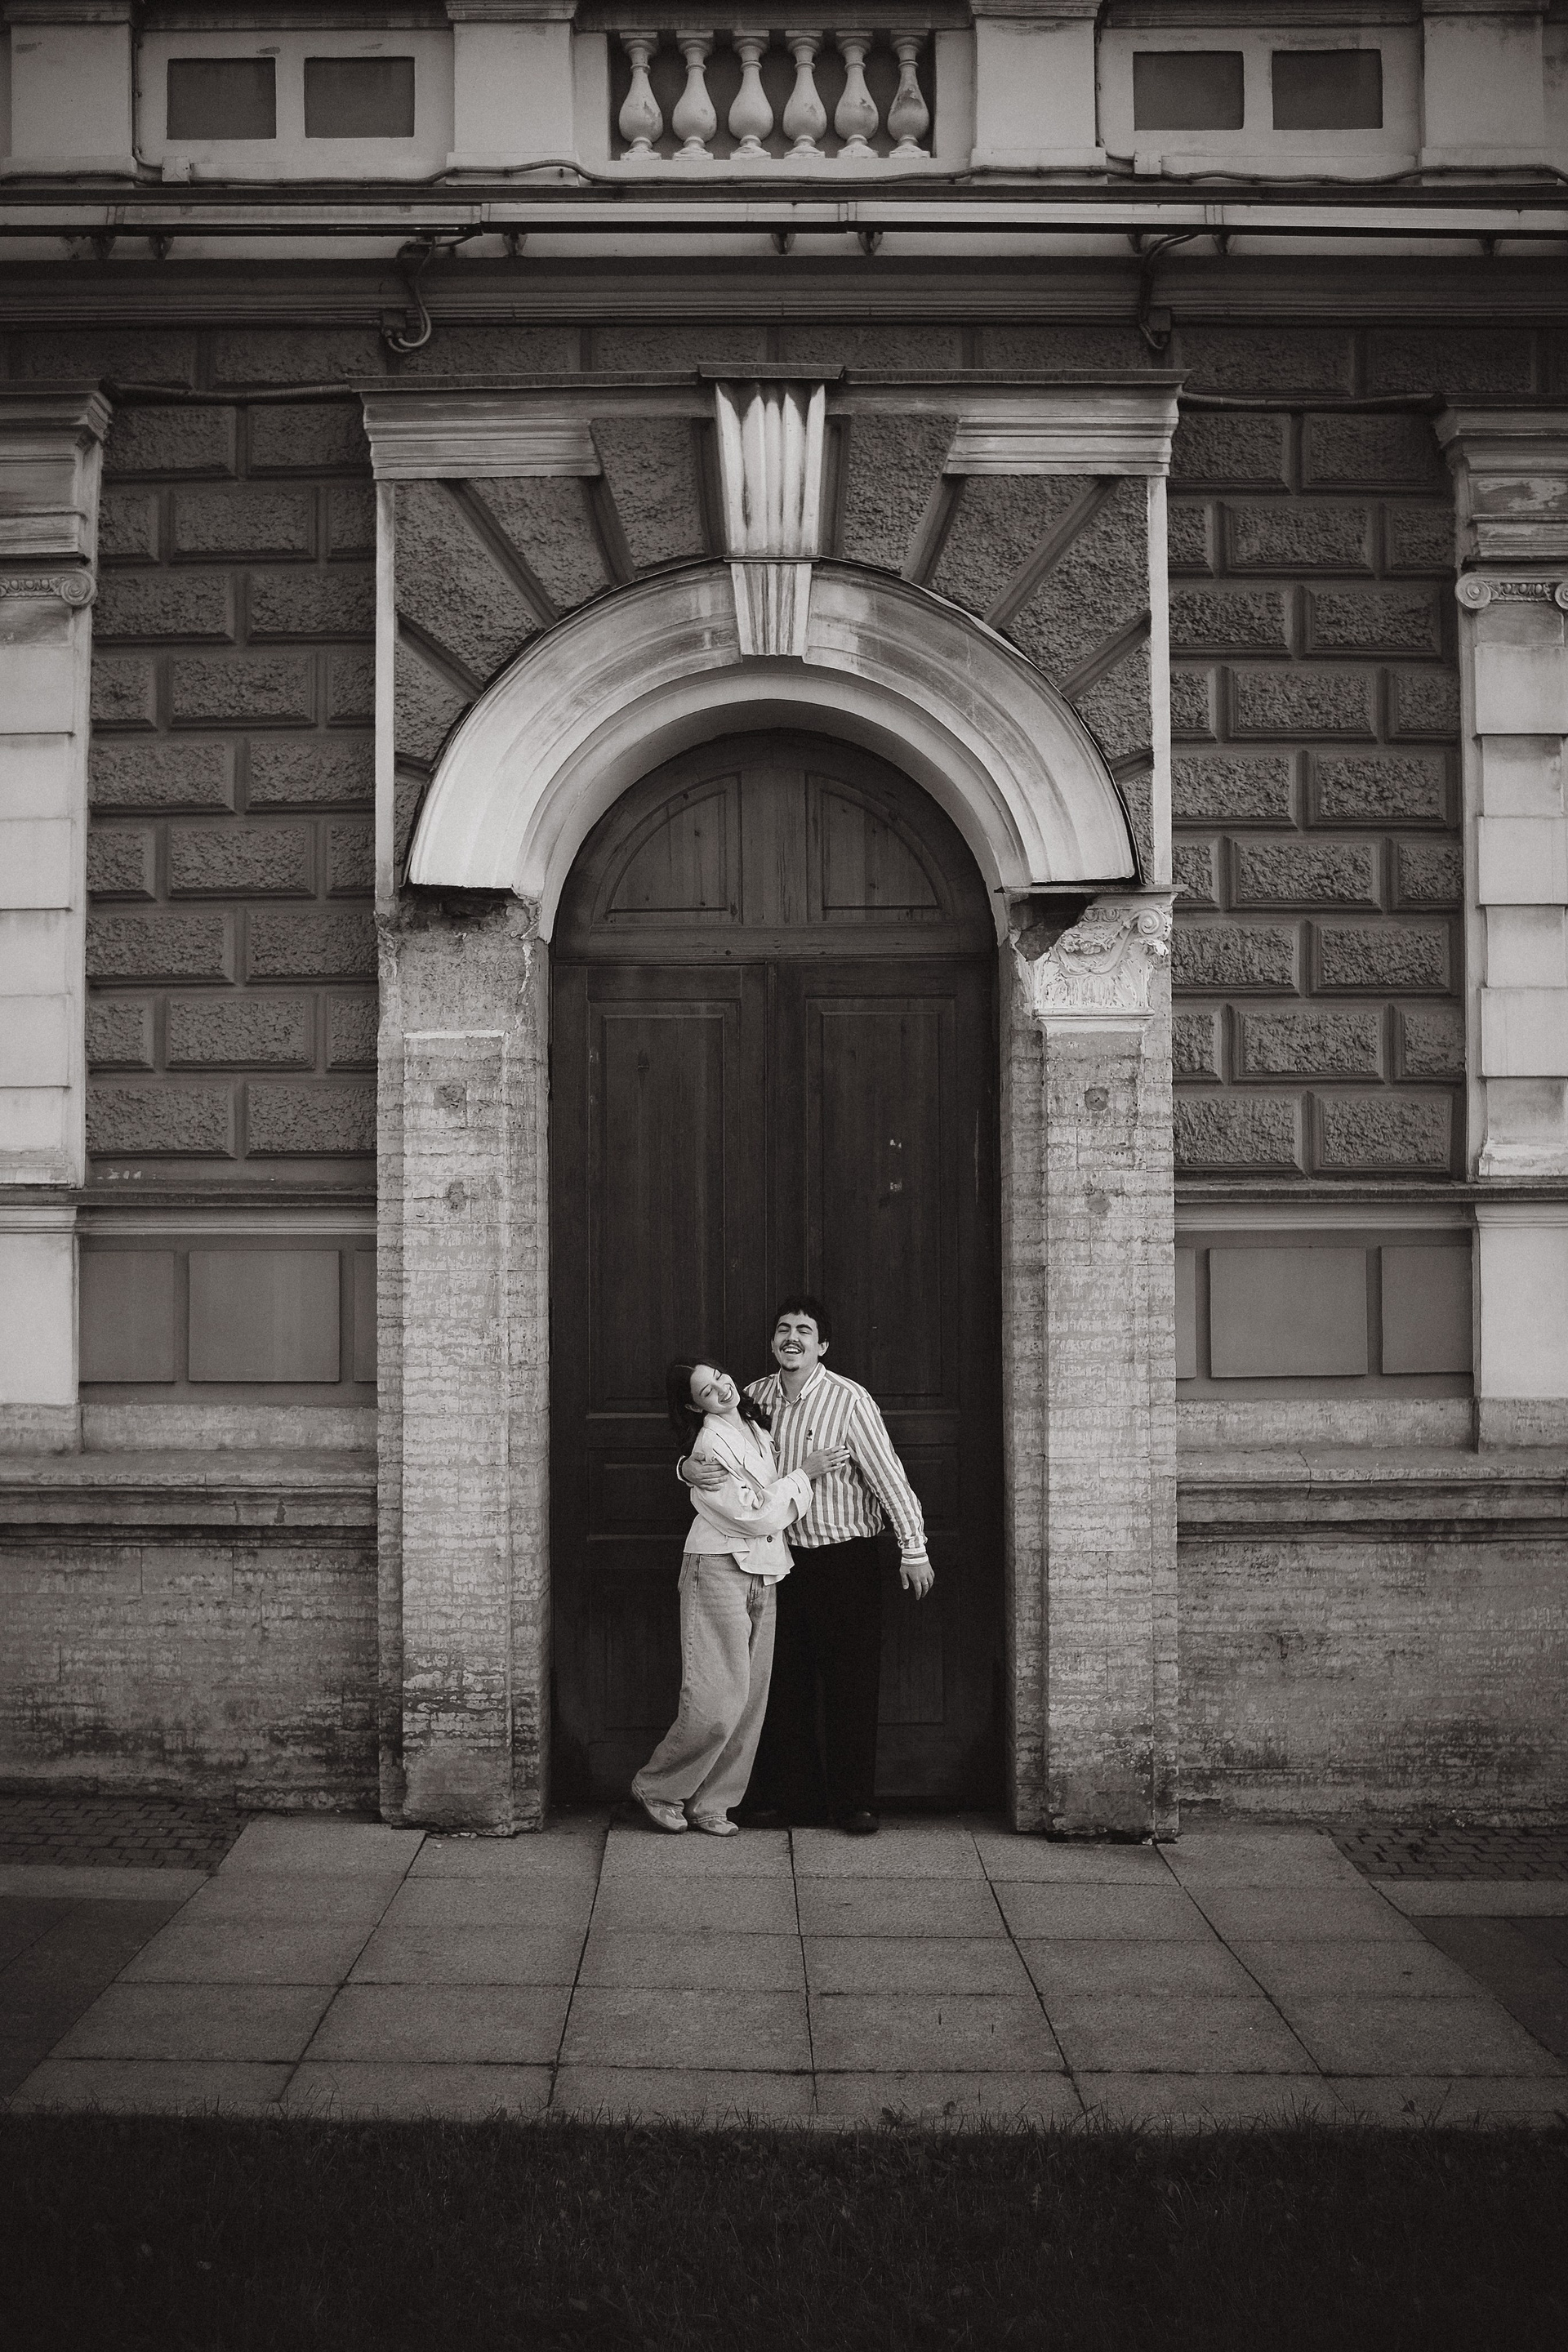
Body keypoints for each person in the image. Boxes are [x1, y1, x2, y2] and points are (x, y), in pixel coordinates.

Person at [682, 1297, 933, 1836]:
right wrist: (683, 1467)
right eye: (783, 1329)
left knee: (850, 1685)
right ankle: (793, 1800)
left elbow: (889, 1478)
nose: (791, 1337)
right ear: (773, 1342)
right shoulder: (752, 1396)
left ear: (822, 1346)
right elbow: (707, 1446)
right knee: (783, 1687)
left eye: (804, 1330)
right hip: (780, 1564)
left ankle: (853, 1804)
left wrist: (913, 1549)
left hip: (846, 1561)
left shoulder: (848, 1400)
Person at [630, 1356, 848, 1838]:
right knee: (714, 1697)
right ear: (695, 1406)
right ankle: (657, 1787)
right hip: (717, 1568)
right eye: (707, 1391)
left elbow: (765, 1503)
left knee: (750, 1700)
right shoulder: (709, 1444)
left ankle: (713, 1804)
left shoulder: (754, 1421)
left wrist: (782, 1489)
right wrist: (804, 1475)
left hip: (765, 1570)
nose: (722, 1388)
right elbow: (753, 1515)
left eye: (719, 1377)